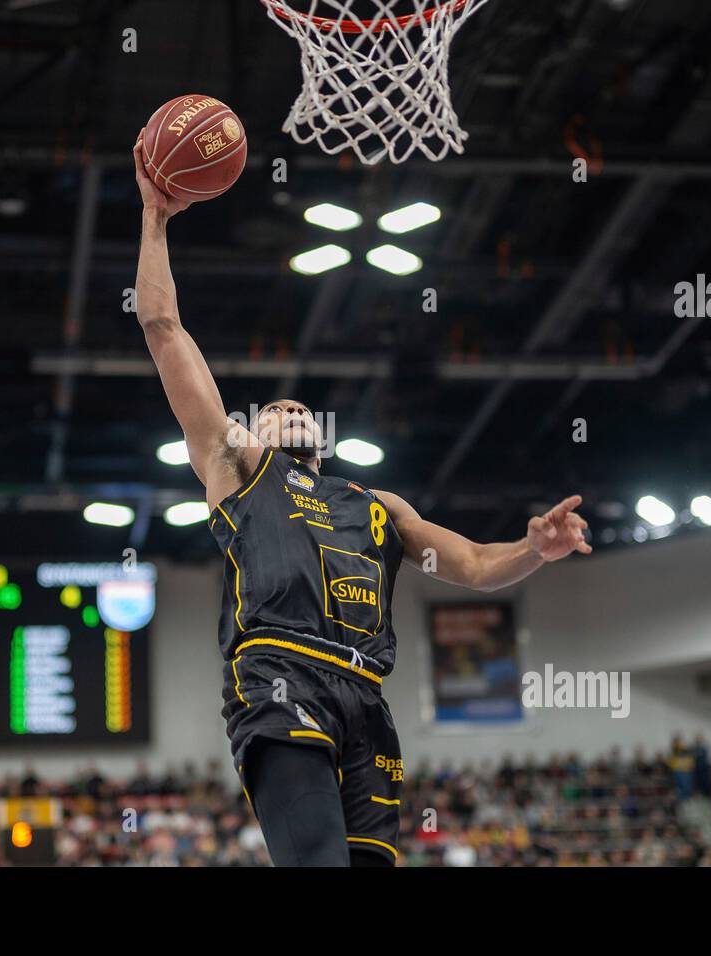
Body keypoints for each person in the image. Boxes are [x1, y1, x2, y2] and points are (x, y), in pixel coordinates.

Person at [131, 136, 591, 866]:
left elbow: (472, 565)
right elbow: (163, 330)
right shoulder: (237, 466)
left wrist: (534, 548)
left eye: (297, 405)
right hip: (279, 675)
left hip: (364, 697)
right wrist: (156, 220)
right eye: (273, 406)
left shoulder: (377, 504)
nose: (289, 408)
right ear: (251, 429)